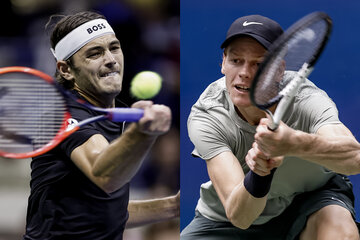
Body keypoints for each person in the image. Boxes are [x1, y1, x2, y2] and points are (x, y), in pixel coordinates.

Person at [180, 14, 360, 240]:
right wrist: (260, 173)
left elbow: (355, 159)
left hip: (312, 198)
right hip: (229, 220)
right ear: (223, 62)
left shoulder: (305, 98)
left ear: (279, 69)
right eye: (236, 60)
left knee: (340, 233)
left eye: (259, 63)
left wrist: (294, 144)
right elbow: (240, 217)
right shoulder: (208, 115)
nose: (245, 73)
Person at [23, 11, 179, 240]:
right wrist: (142, 134)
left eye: (114, 48)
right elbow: (105, 176)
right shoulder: (60, 114)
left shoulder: (117, 115)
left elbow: (106, 211)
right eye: (94, 53)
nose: (111, 59)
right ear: (66, 70)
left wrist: (173, 206)